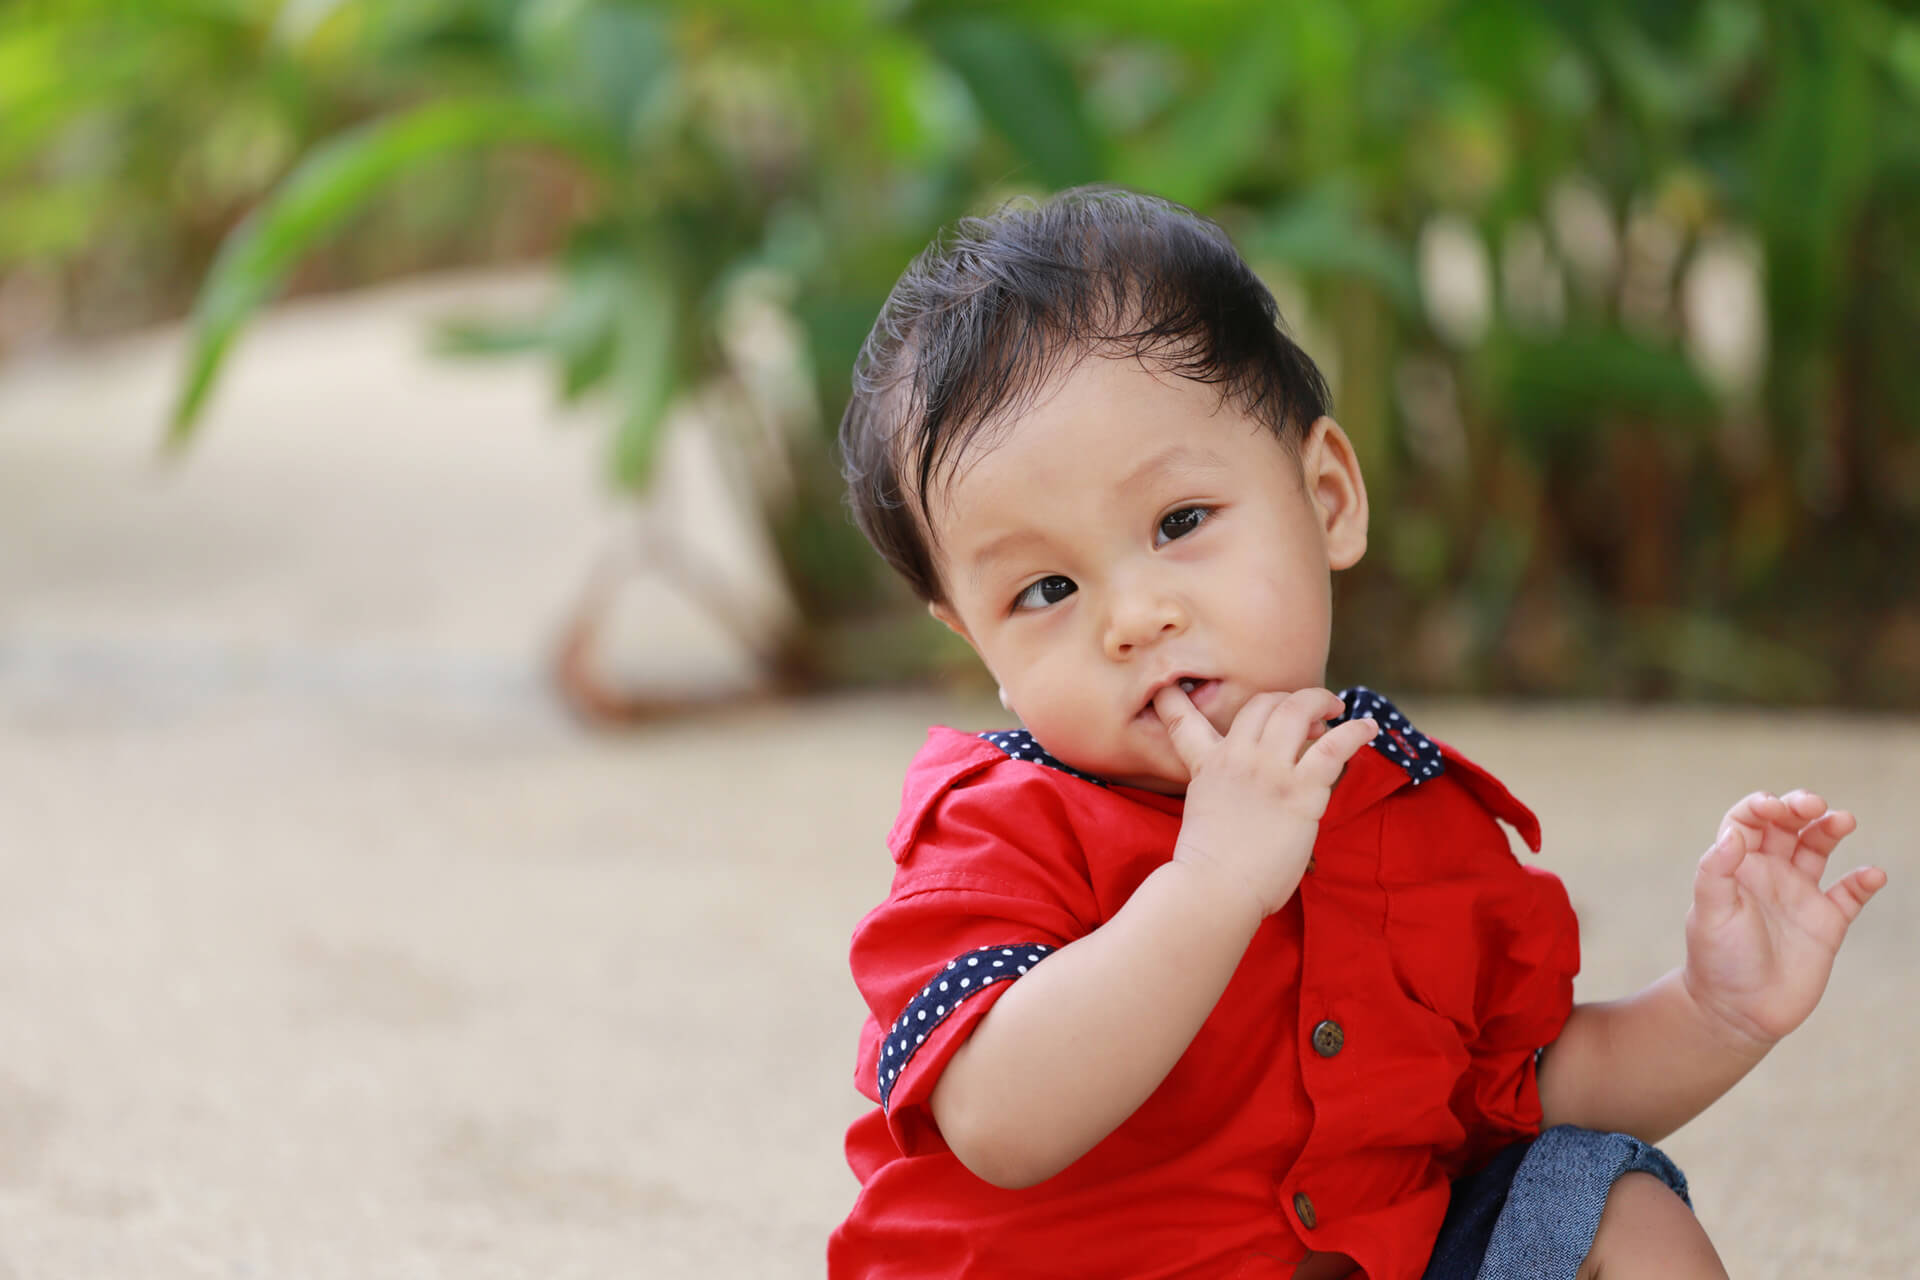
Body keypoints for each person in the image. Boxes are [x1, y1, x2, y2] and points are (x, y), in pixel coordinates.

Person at [825, 186, 1885, 1279]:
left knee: (1606, 1201)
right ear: (977, 645)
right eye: (1046, 588)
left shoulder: (1409, 809)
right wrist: (1211, 885)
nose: (1133, 617)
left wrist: (1717, 1010)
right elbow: (1002, 1118)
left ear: (1327, 495)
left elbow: (1515, 1088)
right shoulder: (997, 832)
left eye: (1179, 523)